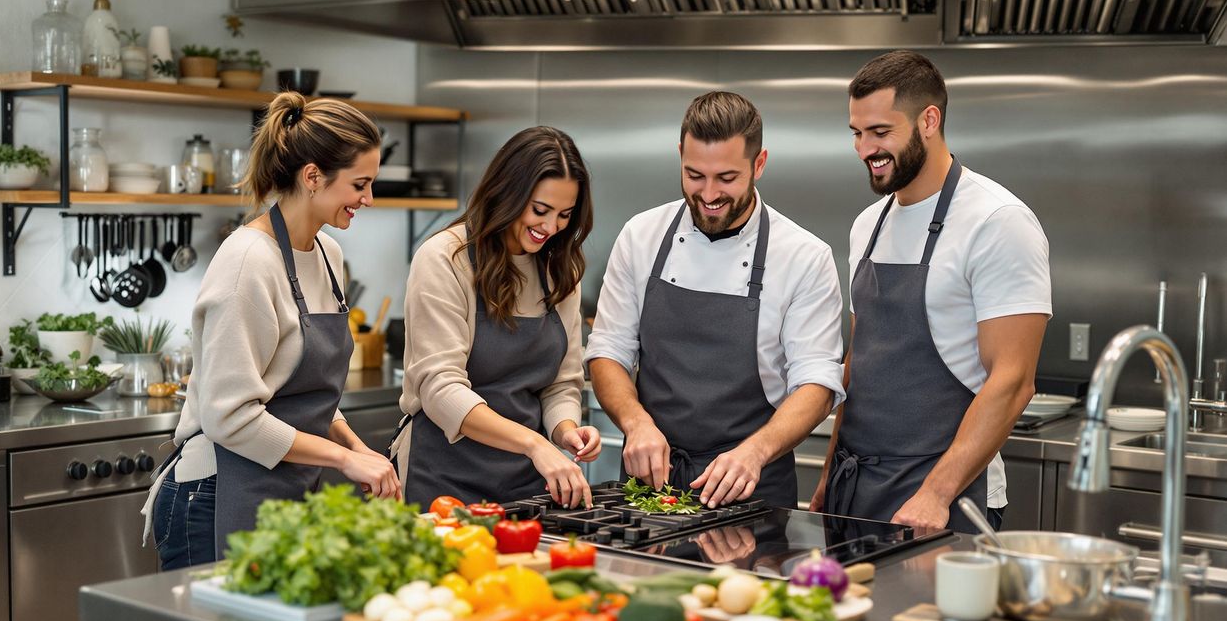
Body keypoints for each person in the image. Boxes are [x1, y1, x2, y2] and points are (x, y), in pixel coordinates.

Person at [143, 92, 400, 621]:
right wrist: (345, 456)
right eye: (360, 184)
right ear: (312, 176)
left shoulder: (328, 256)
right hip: (210, 497)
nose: (368, 198)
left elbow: (310, 399)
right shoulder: (246, 264)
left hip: (278, 494)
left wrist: (359, 449)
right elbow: (232, 416)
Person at [812, 50, 1051, 532]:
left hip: (942, 496)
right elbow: (861, 363)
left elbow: (1013, 382)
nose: (864, 149)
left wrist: (936, 494)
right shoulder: (868, 225)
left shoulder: (997, 222)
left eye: (880, 132)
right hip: (854, 485)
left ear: (929, 120)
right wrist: (827, 474)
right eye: (857, 133)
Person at [586, 91, 845, 509]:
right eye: (694, 175)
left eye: (726, 178)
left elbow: (816, 382)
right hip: (649, 482)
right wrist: (636, 423)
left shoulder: (803, 256)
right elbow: (607, 351)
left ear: (759, 164)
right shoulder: (641, 236)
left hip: (749, 487)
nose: (708, 194)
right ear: (680, 156)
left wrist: (755, 452)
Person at [392, 126, 600, 509]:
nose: (551, 227)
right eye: (540, 210)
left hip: (528, 486)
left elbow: (560, 384)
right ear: (507, 192)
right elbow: (440, 390)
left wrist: (565, 430)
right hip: (444, 481)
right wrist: (535, 443)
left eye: (564, 215)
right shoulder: (445, 258)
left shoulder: (559, 269)